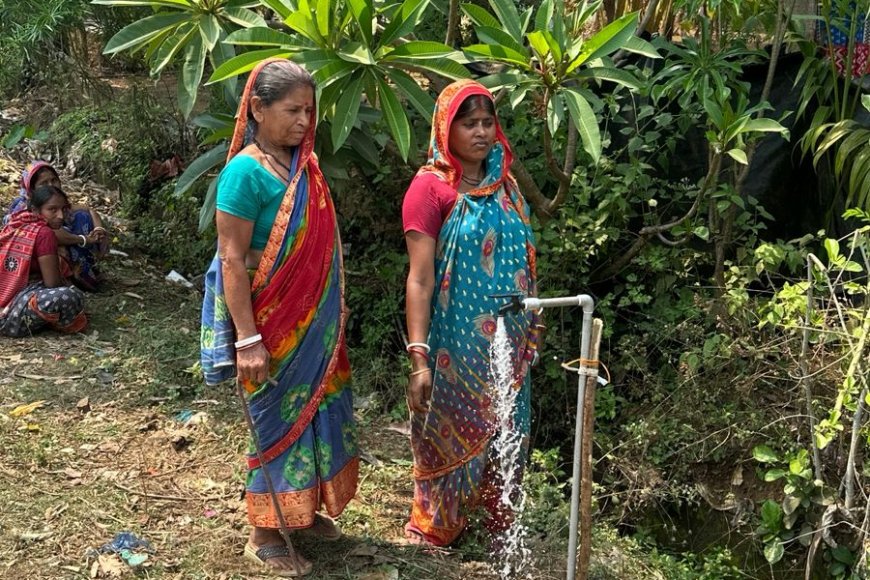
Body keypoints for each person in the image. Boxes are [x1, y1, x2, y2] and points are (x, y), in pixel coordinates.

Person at [200, 58, 358, 577]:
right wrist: (247, 339)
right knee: (277, 418)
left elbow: (323, 242)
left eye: (309, 111)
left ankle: (301, 509)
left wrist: (334, 301)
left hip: (317, 321)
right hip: (272, 321)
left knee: (318, 410)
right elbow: (231, 259)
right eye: (293, 110)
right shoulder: (243, 174)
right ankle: (265, 531)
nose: (304, 121)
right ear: (257, 109)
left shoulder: (304, 167)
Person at [401, 79, 542, 546]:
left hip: (509, 338)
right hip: (455, 345)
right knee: (450, 426)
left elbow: (525, 259)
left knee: (509, 426)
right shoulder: (430, 190)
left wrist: (532, 323)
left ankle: (497, 529)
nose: (481, 132)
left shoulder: (506, 184)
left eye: (487, 122)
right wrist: (419, 357)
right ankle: (436, 528)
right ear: (447, 129)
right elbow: (420, 279)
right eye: (469, 124)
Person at [4, 160, 109, 291]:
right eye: (43, 183)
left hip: (51, 245)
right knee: (54, 238)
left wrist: (99, 229)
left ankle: (84, 271)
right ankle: (71, 277)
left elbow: (89, 210)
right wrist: (84, 239)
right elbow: (51, 235)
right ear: (32, 189)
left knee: (82, 216)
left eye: (54, 180)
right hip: (31, 261)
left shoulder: (57, 201)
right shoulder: (25, 208)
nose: (51, 185)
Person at [0, 185, 87, 337]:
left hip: (8, 296)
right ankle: (58, 322)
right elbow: (52, 283)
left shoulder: (15, 223)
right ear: (35, 210)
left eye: (63, 209)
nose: (60, 216)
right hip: (10, 314)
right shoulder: (45, 233)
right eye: (52, 209)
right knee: (72, 296)